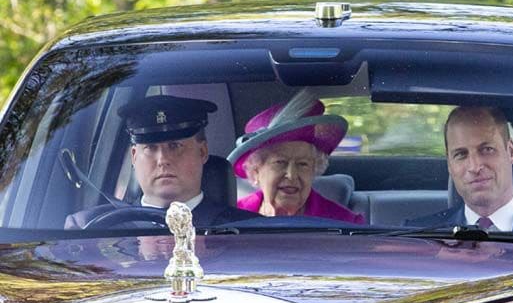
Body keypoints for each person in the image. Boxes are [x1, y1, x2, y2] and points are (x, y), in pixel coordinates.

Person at [65, 95, 258, 229]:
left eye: (175, 146)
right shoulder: (88, 228)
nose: (163, 160)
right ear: (134, 156)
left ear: (202, 151)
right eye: (150, 148)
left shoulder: (249, 232)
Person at [406, 106, 513, 231]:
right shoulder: (418, 235)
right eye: (461, 155)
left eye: (487, 150)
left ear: (511, 151)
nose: (474, 166)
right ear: (449, 165)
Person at [229, 92, 364, 224]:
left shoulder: (345, 223)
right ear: (256, 171)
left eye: (302, 164)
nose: (292, 175)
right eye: (280, 162)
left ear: (314, 170)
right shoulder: (230, 218)